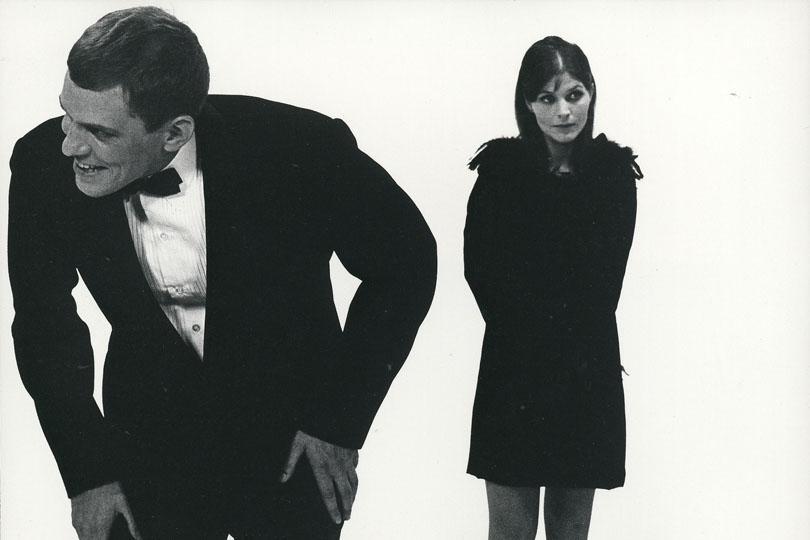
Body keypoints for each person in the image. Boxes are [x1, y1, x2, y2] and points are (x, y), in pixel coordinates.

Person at [8, 7, 436, 539]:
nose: (69, 145)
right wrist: (87, 471)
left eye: (98, 131)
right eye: (67, 116)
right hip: (147, 454)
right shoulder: (40, 165)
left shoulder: (299, 147)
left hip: (293, 449)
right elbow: (44, 326)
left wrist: (338, 421)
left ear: (175, 132)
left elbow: (407, 262)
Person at [464, 36, 642, 540]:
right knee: (509, 531)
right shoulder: (499, 171)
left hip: (583, 373)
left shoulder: (612, 175)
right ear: (527, 103)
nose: (563, 111)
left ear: (591, 93)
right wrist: (526, 330)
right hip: (514, 371)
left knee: (571, 531)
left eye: (574, 95)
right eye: (547, 98)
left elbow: (602, 282)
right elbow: (480, 272)